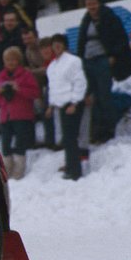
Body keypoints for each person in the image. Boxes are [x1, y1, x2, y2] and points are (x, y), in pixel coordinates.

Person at [76, 0, 131, 143]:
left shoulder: (109, 17)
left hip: (102, 60)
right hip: (88, 61)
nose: (92, 7)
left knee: (104, 95)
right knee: (91, 97)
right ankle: (97, 129)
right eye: (89, 4)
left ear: (99, 3)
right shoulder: (86, 19)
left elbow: (120, 38)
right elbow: (81, 41)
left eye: (94, 4)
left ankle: (108, 128)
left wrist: (113, 55)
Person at [0, 47, 40, 180]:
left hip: (22, 115)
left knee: (20, 145)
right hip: (6, 116)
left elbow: (35, 93)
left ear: (18, 61)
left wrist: (19, 89)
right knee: (5, 145)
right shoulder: (0, 77)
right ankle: (7, 171)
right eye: (7, 60)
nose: (10, 62)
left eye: (13, 60)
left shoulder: (26, 75)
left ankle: (19, 172)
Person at [47, 34, 88, 181]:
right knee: (66, 138)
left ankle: (75, 171)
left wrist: (75, 102)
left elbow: (79, 82)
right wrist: (51, 105)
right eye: (54, 44)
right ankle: (70, 165)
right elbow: (53, 87)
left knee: (71, 137)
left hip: (72, 104)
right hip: (60, 105)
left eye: (59, 44)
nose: (57, 47)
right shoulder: (52, 66)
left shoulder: (73, 61)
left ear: (64, 45)